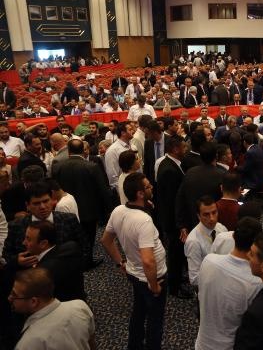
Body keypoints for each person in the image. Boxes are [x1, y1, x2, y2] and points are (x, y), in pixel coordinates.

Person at [101, 172, 167, 350]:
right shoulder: (143, 220)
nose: (151, 187)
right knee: (155, 320)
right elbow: (148, 261)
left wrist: (119, 263)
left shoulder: (118, 210)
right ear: (140, 194)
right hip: (151, 278)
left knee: (139, 312)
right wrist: (154, 286)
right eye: (148, 186)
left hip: (134, 273)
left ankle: (134, 345)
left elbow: (106, 240)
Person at [195, 217, 263, 350]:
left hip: (202, 344)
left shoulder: (208, 260)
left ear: (233, 236)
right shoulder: (256, 282)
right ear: (257, 244)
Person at [52, 138, 111, 269]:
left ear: (69, 151)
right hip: (89, 209)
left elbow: (55, 189)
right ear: (83, 151)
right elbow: (102, 189)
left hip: (66, 208)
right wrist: (108, 209)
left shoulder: (58, 167)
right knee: (89, 237)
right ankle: (87, 261)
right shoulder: (92, 166)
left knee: (71, 237)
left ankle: (74, 262)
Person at [2, 181, 87, 272]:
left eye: (46, 201)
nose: (42, 207)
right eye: (36, 203)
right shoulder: (16, 226)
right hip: (30, 276)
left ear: (52, 200)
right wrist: (17, 262)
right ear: (28, 206)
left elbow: (84, 247)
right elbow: (6, 254)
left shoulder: (69, 220)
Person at [9, 268, 95, 350]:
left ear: (33, 302)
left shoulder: (27, 344)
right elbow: (91, 341)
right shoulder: (79, 306)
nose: (9, 298)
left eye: (14, 295)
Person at [155, 135, 190, 298]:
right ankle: (174, 287)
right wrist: (180, 224)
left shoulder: (170, 163)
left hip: (172, 219)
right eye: (183, 147)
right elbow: (171, 201)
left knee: (178, 253)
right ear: (175, 149)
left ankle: (178, 278)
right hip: (172, 221)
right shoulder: (169, 169)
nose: (186, 149)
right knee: (175, 254)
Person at [22, 220, 86, 301]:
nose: (24, 242)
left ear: (43, 244)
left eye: (28, 239)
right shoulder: (71, 247)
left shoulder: (42, 273)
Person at [184, 195, 228, 288]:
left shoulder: (221, 228)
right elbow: (194, 278)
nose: (212, 218)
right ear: (198, 216)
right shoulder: (193, 241)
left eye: (214, 212)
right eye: (206, 214)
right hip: (208, 288)